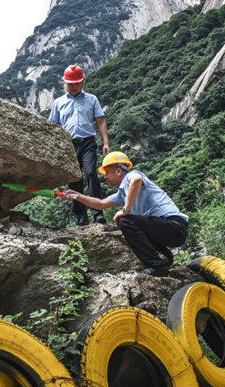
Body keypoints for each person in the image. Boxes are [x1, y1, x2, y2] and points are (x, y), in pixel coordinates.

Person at [63, 151, 188, 276]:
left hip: (174, 226)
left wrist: (125, 210)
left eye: (107, 172)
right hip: (170, 231)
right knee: (133, 224)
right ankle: (166, 258)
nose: (105, 177)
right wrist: (77, 196)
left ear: (118, 171)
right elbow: (100, 204)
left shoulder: (131, 175)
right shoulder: (123, 193)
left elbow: (137, 180)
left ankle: (156, 265)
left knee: (125, 220)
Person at [49, 64, 110, 226]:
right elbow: (52, 127)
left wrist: (105, 142)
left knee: (91, 174)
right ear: (65, 83)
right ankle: (80, 219)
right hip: (68, 146)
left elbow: (101, 121)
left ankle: (97, 213)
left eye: (76, 83)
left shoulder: (92, 99)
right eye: (70, 83)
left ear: (82, 82)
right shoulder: (58, 103)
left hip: (88, 142)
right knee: (74, 180)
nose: (74, 86)